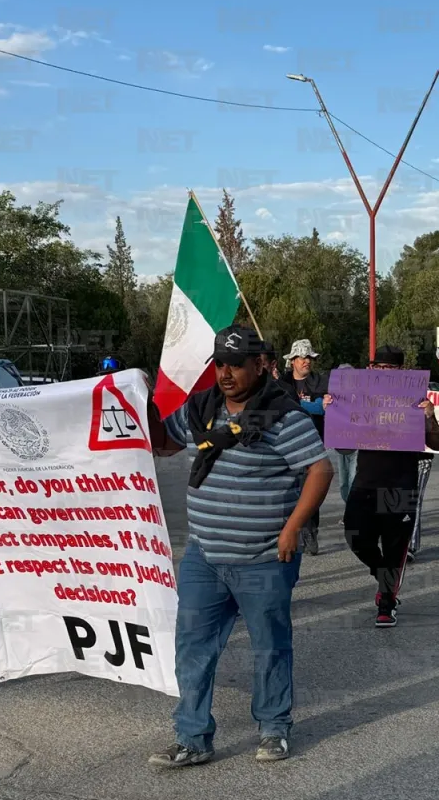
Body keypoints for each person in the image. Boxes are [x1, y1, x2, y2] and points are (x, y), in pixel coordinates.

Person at [146, 325, 332, 768]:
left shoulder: (282, 416)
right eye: (220, 364)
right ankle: (192, 737)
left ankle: (274, 729)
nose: (226, 373)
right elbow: (165, 444)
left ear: (259, 365)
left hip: (265, 558)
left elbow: (320, 471)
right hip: (204, 557)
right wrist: (147, 404)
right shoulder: (199, 409)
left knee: (269, 646)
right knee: (192, 647)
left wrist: (292, 529)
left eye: (236, 364)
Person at [335, 346, 439, 629]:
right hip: (366, 482)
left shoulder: (415, 400)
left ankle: (386, 601)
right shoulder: (359, 400)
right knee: (354, 533)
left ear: (400, 372)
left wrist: (430, 416)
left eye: (389, 368)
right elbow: (344, 447)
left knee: (395, 546)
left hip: (400, 484)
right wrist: (334, 412)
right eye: (377, 367)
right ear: (370, 369)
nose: (382, 372)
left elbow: (437, 443)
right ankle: (384, 574)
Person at [280, 339, 330, 555]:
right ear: (292, 361)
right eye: (301, 357)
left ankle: (310, 531)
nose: (306, 361)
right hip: (286, 444)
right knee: (289, 489)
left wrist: (308, 405)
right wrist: (312, 406)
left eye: (309, 357)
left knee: (311, 489)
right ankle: (290, 530)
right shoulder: (282, 382)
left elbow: (323, 408)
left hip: (313, 443)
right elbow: (282, 405)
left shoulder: (320, 382)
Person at [331, 363, 358, 503]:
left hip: (357, 446)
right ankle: (349, 509)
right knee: (343, 484)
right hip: (340, 446)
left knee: (353, 479)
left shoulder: (361, 397)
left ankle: (352, 512)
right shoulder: (333, 397)